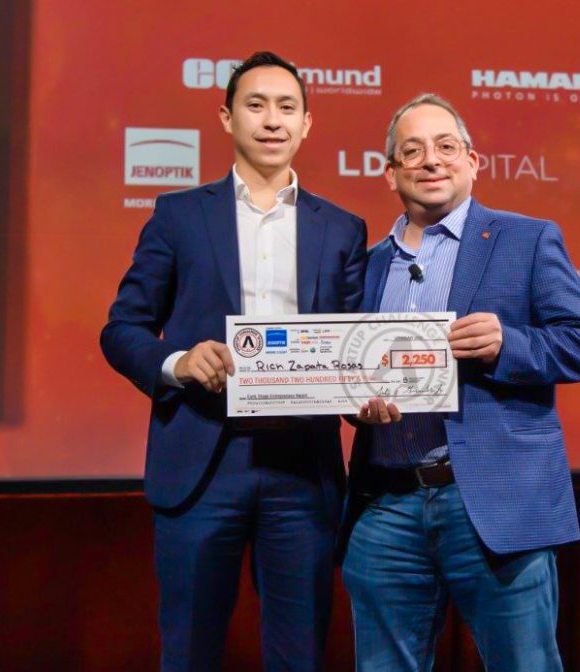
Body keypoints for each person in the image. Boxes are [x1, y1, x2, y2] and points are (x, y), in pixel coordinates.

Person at [100, 51, 366, 672]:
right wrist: (178, 362)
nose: (272, 120)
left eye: (287, 107)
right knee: (189, 653)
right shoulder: (179, 216)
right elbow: (122, 330)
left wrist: (373, 392)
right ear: (226, 118)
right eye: (256, 105)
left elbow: (356, 346)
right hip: (201, 462)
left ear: (306, 124)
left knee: (300, 656)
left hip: (303, 471)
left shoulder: (344, 229)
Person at [341, 93, 580, 671]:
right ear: (390, 173)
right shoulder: (366, 265)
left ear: (472, 161)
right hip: (386, 505)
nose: (430, 160)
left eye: (446, 146)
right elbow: (349, 372)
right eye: (412, 151)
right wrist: (356, 403)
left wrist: (507, 343)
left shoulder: (527, 239)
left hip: (492, 503)